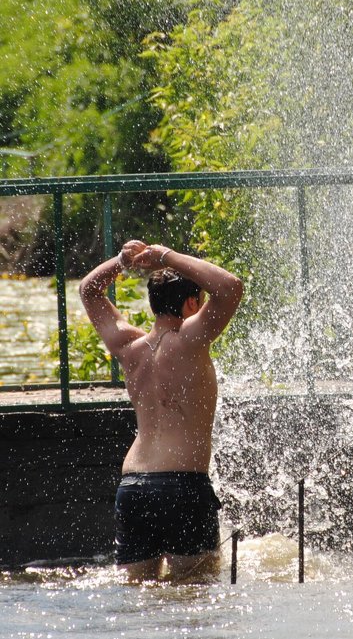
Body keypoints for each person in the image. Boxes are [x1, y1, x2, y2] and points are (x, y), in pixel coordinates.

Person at [80, 240, 244, 581]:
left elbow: (89, 291)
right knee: (195, 595)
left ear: (153, 304)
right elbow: (230, 287)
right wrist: (166, 256)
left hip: (133, 489)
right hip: (183, 486)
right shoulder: (190, 340)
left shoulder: (128, 346)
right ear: (191, 303)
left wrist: (122, 261)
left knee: (139, 597)